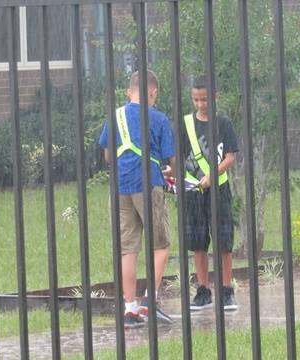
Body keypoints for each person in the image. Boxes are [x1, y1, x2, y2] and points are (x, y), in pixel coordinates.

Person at [98, 70, 176, 329]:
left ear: (129, 91)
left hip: (120, 187)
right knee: (160, 244)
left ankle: (129, 309)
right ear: (153, 92)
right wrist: (169, 172)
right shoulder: (159, 118)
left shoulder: (115, 116)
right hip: (148, 183)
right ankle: (150, 303)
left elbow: (108, 156)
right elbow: (172, 161)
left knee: (127, 248)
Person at [181, 75, 239, 311]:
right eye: (196, 99)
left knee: (223, 240)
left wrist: (212, 175)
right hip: (194, 191)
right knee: (198, 242)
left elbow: (231, 157)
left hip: (219, 188)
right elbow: (179, 157)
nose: (201, 104)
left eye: (205, 99)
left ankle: (226, 290)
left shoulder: (223, 123)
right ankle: (203, 290)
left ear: (215, 97)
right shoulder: (186, 124)